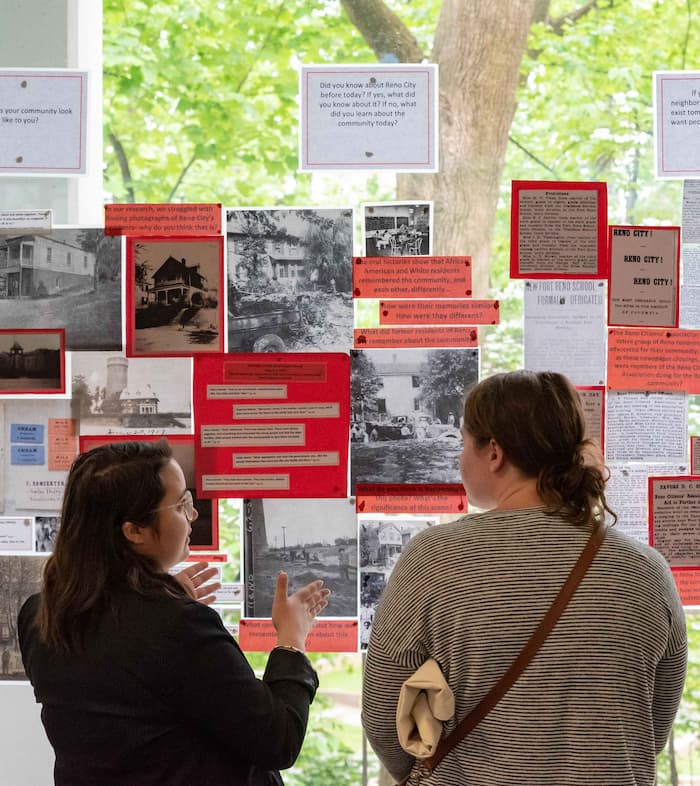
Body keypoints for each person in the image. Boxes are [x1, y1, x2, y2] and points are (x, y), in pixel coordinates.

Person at [362, 370, 687, 786]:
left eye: (464, 443)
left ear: (494, 452)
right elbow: (652, 725)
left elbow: (382, 711)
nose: (460, 457)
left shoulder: (436, 557)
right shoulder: (646, 570)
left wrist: (429, 771)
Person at [18, 440, 330, 786]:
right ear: (134, 531)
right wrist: (291, 639)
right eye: (182, 505)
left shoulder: (40, 614)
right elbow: (277, 741)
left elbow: (128, 707)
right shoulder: (178, 626)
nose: (193, 515)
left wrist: (161, 596)